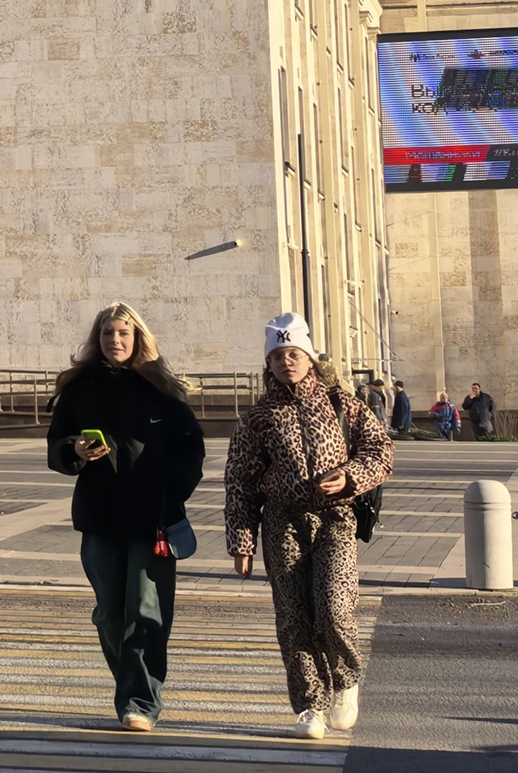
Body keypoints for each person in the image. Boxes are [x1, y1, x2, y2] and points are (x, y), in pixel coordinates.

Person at [225, 313, 394, 740]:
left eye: (294, 354)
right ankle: (310, 706)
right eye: (278, 356)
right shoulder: (257, 418)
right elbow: (240, 482)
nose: (287, 362)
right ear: (268, 363)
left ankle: (346, 679)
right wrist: (242, 541)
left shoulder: (342, 404)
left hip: (336, 519)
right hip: (282, 523)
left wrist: (351, 477)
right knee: (293, 618)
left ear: (309, 358)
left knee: (334, 608)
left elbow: (380, 450)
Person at [47, 302, 205, 733]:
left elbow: (191, 449)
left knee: (146, 611)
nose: (114, 340)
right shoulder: (80, 387)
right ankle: (133, 685)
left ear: (137, 339)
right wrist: (75, 450)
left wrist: (172, 495)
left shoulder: (161, 388)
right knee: (109, 614)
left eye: (122, 333)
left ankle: (139, 702)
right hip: (100, 516)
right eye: (106, 333)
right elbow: (56, 445)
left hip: (152, 518)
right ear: (96, 339)